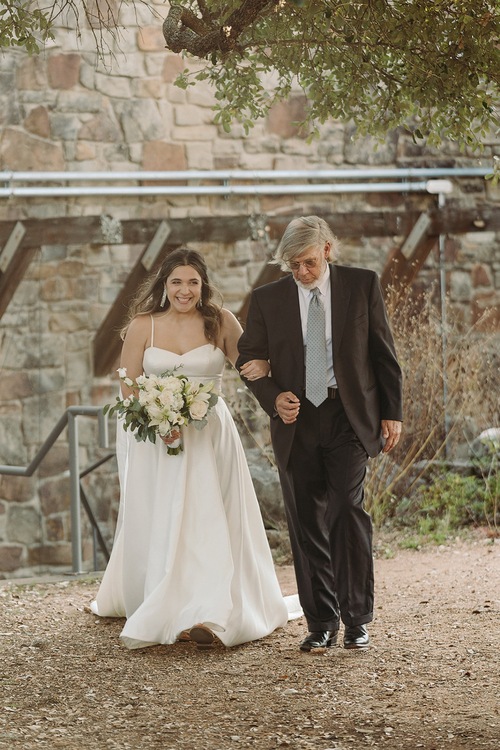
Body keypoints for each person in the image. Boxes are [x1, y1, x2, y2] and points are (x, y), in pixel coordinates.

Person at [91, 247, 300, 649]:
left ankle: (210, 611)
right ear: (164, 286)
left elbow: (250, 367)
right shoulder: (143, 326)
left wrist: (275, 382)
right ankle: (168, 600)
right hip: (158, 439)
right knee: (167, 516)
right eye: (176, 282)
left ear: (203, 286)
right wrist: (158, 421)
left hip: (209, 435)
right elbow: (129, 386)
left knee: (209, 515)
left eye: (192, 282)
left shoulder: (220, 321)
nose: (184, 290)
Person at [237, 216, 403, 652]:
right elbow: (248, 359)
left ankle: (357, 619)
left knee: (346, 510)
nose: (301, 273)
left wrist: (392, 413)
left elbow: (383, 354)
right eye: (293, 266)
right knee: (306, 521)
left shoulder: (361, 285)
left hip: (348, 416)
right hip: (296, 423)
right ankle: (321, 621)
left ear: (327, 249)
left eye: (308, 263)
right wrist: (273, 396)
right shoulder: (267, 299)